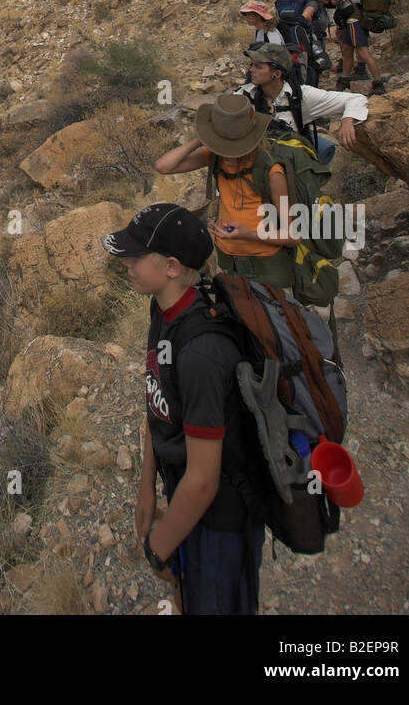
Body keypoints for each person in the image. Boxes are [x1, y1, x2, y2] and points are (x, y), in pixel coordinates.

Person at [101, 202, 265, 615]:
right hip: (184, 498)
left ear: (172, 267)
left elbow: (205, 480)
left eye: (136, 257)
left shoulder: (201, 352)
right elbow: (160, 403)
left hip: (218, 521)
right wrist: (146, 485)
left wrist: (158, 550)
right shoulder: (162, 307)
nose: (127, 265)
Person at [154, 93, 297, 290]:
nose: (228, 151)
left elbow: (293, 237)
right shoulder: (215, 156)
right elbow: (164, 166)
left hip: (266, 265)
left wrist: (250, 234)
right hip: (229, 260)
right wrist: (202, 138)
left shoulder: (272, 172)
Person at [236, 44, 368, 164]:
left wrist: (347, 120)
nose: (251, 70)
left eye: (258, 66)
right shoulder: (245, 96)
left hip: (292, 166)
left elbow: (356, 99)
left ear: (276, 74)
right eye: (252, 65)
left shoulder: (301, 96)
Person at [332, 0, 386, 93]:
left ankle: (378, 82)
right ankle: (344, 80)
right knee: (347, 51)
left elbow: (337, 0)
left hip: (353, 21)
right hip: (358, 19)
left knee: (363, 52)